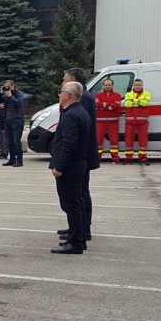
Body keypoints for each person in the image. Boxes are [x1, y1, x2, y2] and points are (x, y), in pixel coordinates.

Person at [50, 82, 90, 254]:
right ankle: (78, 238)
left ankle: (75, 243)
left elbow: (69, 144)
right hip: (78, 165)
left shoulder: (71, 115)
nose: (59, 95)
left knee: (71, 205)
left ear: (67, 95)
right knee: (76, 203)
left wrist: (60, 166)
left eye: (61, 92)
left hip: (70, 167)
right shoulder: (79, 111)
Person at [59, 68, 98, 246]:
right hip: (81, 153)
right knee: (77, 193)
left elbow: (82, 129)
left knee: (80, 193)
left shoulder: (85, 98)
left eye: (64, 80)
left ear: (72, 80)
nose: (62, 82)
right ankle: (77, 228)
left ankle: (83, 229)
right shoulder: (83, 97)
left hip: (82, 154)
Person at [0, 80, 26, 167]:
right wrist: (1, 92)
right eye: (6, 86)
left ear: (13, 86)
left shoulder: (18, 94)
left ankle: (20, 160)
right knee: (10, 141)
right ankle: (12, 159)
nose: (7, 88)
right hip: (7, 120)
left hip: (17, 120)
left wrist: (10, 95)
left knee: (16, 141)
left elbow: (18, 103)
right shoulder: (5, 95)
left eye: (8, 86)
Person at [93, 78, 123, 164]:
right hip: (100, 121)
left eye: (109, 85)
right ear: (103, 85)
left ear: (112, 85)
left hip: (113, 122)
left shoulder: (117, 95)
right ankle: (97, 158)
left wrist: (104, 105)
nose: (107, 86)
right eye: (106, 85)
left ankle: (115, 158)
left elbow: (116, 106)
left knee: (114, 141)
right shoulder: (98, 95)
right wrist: (110, 105)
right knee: (98, 141)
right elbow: (97, 104)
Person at [123, 78, 152, 164]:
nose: (137, 87)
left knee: (143, 141)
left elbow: (145, 103)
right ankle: (128, 159)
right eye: (136, 85)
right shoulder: (128, 94)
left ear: (142, 86)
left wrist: (133, 102)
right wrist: (139, 102)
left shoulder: (147, 94)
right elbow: (127, 104)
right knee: (128, 141)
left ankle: (143, 158)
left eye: (139, 85)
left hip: (142, 123)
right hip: (130, 122)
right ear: (133, 86)